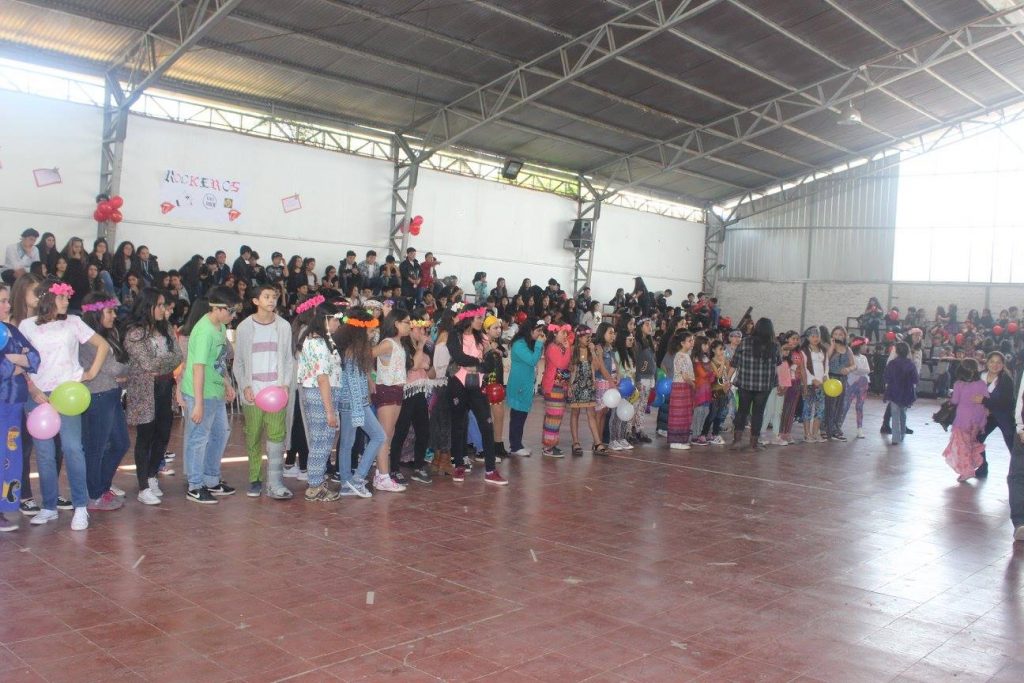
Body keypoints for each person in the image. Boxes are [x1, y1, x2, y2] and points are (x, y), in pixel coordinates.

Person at [19, 279, 109, 530]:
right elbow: (21, 361)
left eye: (68, 297)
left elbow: (102, 345)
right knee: (45, 454)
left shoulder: (74, 322)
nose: (67, 301)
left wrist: (90, 373)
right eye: (62, 297)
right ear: (48, 298)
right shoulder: (27, 326)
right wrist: (32, 388)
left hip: (67, 393)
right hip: (38, 395)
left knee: (72, 448)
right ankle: (49, 506)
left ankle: (80, 506)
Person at [233, 284, 295, 500]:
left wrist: (285, 385)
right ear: (255, 301)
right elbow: (239, 362)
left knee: (277, 435)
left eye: (274, 297)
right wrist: (245, 386)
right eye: (266, 296)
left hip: (276, 392)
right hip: (253, 393)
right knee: (253, 436)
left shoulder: (284, 326)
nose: (271, 300)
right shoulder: (244, 327)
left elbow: (288, 359)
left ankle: (275, 482)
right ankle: (255, 479)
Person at [180, 286, 240, 504]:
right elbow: (198, 368)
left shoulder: (220, 327)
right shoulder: (204, 331)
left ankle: (211, 479)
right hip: (200, 392)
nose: (233, 316)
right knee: (199, 438)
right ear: (218, 308)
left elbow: (218, 361)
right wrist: (197, 403)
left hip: (214, 390)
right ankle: (195, 486)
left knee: (221, 433)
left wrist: (227, 383)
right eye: (231, 311)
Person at [124, 288, 182, 505]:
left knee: (163, 434)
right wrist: (164, 362)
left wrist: (162, 364)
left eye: (163, 304)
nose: (162, 309)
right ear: (147, 306)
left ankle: (152, 475)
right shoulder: (135, 333)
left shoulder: (166, 328)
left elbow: (178, 356)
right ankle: (143, 486)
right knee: (145, 437)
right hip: (144, 390)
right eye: (159, 305)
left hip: (165, 385)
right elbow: (147, 364)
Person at [79, 294, 129, 512]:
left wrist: (123, 367)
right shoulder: (87, 339)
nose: (114, 315)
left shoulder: (110, 334)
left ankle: (101, 487)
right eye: (109, 311)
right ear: (95, 314)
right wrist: (125, 367)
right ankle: (94, 495)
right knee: (95, 448)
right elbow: (115, 367)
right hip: (97, 396)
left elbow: (121, 365)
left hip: (111, 393)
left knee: (120, 443)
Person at [447, 304, 507, 484]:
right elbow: (458, 357)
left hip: (477, 387)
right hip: (458, 385)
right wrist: (479, 362)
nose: (482, 321)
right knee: (458, 425)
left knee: (487, 426)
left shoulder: (482, 338)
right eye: (479, 318)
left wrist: (476, 366)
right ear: (469, 318)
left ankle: (490, 470)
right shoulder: (455, 335)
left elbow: (490, 364)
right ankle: (458, 465)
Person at [294, 297, 343, 501]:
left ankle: (317, 480)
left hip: (320, 394)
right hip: (321, 395)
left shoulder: (318, 340)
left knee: (321, 441)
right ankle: (314, 486)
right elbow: (322, 378)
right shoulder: (317, 343)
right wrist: (330, 411)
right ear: (325, 320)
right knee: (321, 443)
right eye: (335, 319)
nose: (338, 323)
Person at [0, 283, 39, 532]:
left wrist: (12, 360)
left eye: (7, 300)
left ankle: (4, 506)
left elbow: (34, 357)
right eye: (2, 301)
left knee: (11, 456)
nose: (7, 305)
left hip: (14, 404)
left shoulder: (12, 331)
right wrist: (14, 364)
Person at [333, 306, 384, 498]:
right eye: (370, 330)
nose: (372, 334)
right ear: (360, 331)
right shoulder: (353, 352)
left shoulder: (350, 349)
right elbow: (354, 384)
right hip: (355, 404)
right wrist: (358, 411)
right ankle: (358, 479)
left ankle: (346, 484)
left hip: (348, 402)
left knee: (347, 443)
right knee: (379, 436)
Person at [372, 309, 412, 492]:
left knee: (389, 435)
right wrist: (370, 378)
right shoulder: (388, 343)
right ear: (396, 323)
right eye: (406, 322)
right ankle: (383, 477)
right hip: (387, 390)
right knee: (384, 436)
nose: (410, 325)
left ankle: (381, 475)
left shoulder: (399, 344)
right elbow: (367, 354)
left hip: (397, 391)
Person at [731, 318, 781, 451]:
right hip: (764, 386)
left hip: (745, 383)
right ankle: (753, 444)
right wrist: (779, 382)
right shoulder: (774, 346)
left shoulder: (745, 342)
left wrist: (727, 380)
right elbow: (778, 365)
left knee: (742, 411)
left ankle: (737, 441)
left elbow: (734, 362)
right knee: (758, 413)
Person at [506, 319, 545, 456]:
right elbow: (532, 360)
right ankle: (515, 446)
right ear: (530, 330)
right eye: (538, 330)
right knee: (518, 415)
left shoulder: (528, 343)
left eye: (541, 330)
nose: (540, 334)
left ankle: (517, 444)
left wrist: (538, 344)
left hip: (526, 384)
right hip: (519, 384)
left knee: (521, 415)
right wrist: (539, 344)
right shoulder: (519, 344)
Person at [942, 357, 984, 477]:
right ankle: (972, 465)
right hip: (977, 419)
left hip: (962, 419)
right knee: (970, 443)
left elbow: (955, 400)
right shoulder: (981, 384)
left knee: (962, 445)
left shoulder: (959, 384)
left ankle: (967, 471)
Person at [977, 351, 1015, 479]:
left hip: (1004, 417)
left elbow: (1006, 402)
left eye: (998, 362)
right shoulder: (980, 376)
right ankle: (982, 467)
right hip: (986, 417)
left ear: (1003, 364)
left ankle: (1018, 473)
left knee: (1012, 445)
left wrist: (985, 402)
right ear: (987, 362)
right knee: (976, 439)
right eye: (992, 361)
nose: (995, 365)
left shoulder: (1006, 379)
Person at [481, 314, 508, 456]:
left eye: (499, 328)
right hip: (485, 384)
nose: (499, 330)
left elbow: (505, 353)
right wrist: (490, 350)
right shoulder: (482, 343)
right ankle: (484, 446)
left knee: (499, 415)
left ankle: (498, 444)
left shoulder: (497, 343)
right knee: (486, 418)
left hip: (497, 383)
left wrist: (498, 350)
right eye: (495, 328)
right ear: (486, 329)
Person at [823, 326, 855, 441]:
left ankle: (836, 429)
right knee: (829, 405)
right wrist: (832, 346)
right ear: (832, 335)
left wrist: (848, 369)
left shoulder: (848, 349)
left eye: (840, 334)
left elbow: (854, 364)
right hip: (831, 379)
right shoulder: (828, 347)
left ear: (844, 336)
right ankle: (825, 429)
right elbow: (825, 360)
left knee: (840, 405)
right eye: (835, 334)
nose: (837, 336)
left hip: (842, 380)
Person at [667, 331, 696, 451]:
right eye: (690, 341)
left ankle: (682, 439)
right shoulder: (680, 356)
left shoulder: (686, 355)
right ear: (682, 343)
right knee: (679, 414)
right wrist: (693, 385)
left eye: (693, 340)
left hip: (685, 386)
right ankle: (675, 441)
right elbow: (684, 375)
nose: (692, 343)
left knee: (685, 413)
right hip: (681, 386)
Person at [799, 326, 827, 443]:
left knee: (820, 410)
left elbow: (826, 365)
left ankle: (815, 433)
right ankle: (807, 434)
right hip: (809, 384)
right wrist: (812, 379)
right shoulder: (804, 351)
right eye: (813, 336)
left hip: (822, 385)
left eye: (817, 336)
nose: (816, 338)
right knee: (808, 409)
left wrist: (825, 375)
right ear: (808, 338)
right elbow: (803, 368)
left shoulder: (823, 350)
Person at [841, 336, 871, 439]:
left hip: (863, 384)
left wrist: (857, 369)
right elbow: (853, 370)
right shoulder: (850, 357)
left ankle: (860, 429)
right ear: (859, 345)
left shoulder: (864, 358)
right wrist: (858, 370)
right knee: (845, 405)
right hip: (851, 384)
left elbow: (867, 370)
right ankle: (838, 426)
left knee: (860, 406)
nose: (866, 347)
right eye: (864, 345)